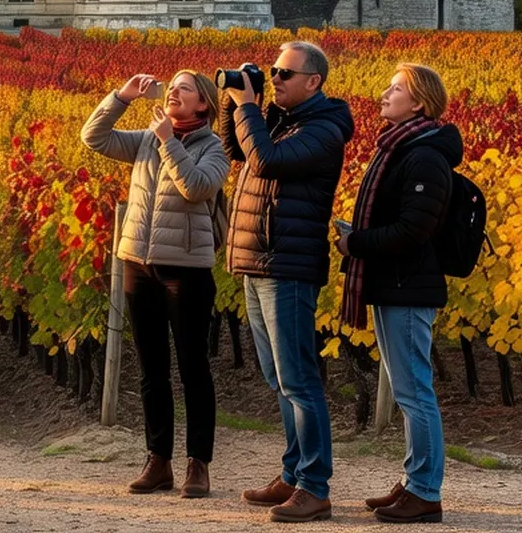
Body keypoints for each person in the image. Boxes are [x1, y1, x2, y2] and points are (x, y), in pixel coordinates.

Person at [222, 40, 354, 523]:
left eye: (284, 73)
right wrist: (234, 101)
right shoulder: (281, 118)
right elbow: (236, 148)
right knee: (278, 378)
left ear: (313, 81)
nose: (274, 79)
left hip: (289, 266)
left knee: (299, 378)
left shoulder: (325, 128)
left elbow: (267, 162)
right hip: (259, 261)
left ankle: (314, 486)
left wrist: (249, 106)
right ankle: (294, 470)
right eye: (273, 71)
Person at [82, 70, 229, 500]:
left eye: (185, 88)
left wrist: (167, 141)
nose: (174, 93)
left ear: (203, 103)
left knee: (193, 369)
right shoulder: (145, 140)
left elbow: (197, 188)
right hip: (138, 264)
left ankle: (198, 464)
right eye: (174, 87)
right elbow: (94, 137)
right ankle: (158, 460)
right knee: (151, 370)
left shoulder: (212, 147)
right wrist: (121, 96)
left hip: (185, 267)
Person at [337, 64, 457, 524]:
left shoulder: (424, 156)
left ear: (419, 103)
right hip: (395, 283)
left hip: (408, 284)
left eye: (395, 88)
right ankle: (413, 480)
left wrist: (357, 242)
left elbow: (413, 230)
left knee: (414, 392)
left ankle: (425, 491)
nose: (384, 94)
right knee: (410, 390)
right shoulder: (403, 148)